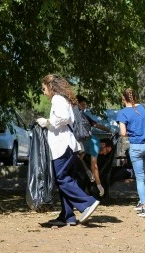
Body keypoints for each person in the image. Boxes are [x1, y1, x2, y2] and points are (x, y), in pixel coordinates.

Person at [36, 74, 100, 226]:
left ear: (51, 87)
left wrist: (47, 122)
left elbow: (63, 118)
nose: (44, 92)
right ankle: (67, 216)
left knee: (60, 178)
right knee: (66, 178)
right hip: (69, 146)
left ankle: (87, 203)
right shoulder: (64, 99)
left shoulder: (57, 99)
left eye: (44, 88)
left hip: (62, 146)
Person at [116, 88, 145, 218]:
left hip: (137, 147)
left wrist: (134, 132)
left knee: (139, 176)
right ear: (136, 96)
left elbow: (123, 133)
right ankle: (141, 200)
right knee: (143, 173)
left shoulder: (123, 113)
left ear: (123, 99)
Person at [76, 95, 112, 197]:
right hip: (76, 143)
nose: (84, 107)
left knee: (80, 158)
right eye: (82, 104)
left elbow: (96, 125)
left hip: (78, 146)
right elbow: (94, 166)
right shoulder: (95, 143)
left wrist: (109, 130)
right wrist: (99, 184)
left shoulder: (84, 117)